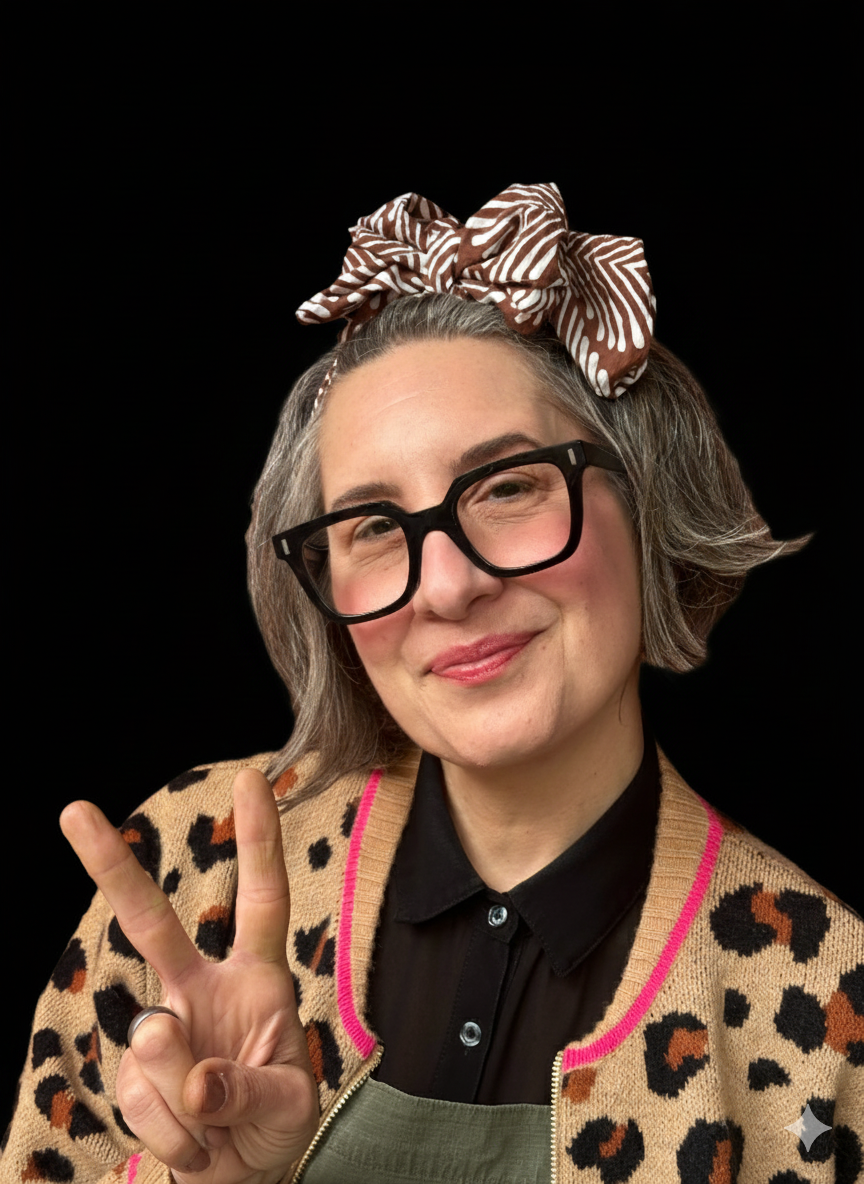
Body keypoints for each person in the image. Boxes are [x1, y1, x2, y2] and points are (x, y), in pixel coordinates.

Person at [4, 183, 862, 1183]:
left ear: (645, 497)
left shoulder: (829, 1001)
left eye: (508, 487)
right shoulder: (191, 874)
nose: (449, 586)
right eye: (374, 526)